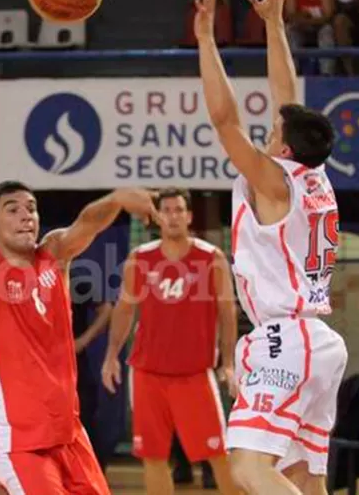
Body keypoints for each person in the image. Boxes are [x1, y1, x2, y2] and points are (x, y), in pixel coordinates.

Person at [194, 0, 348, 495]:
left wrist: (205, 40)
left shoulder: (275, 180)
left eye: (275, 130)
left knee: (248, 469)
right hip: (317, 341)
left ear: (284, 149)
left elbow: (223, 119)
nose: (270, 128)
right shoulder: (315, 176)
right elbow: (286, 97)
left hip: (285, 339)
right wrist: (274, 25)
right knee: (304, 477)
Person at [0, 182, 161, 494]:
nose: (26, 216)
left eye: (31, 208)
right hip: (20, 440)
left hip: (68, 434)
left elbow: (88, 222)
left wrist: (116, 199)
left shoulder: (53, 255)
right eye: (12, 210)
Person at [101, 187, 240, 495]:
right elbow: (125, 309)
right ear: (156, 217)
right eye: (167, 210)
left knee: (218, 454)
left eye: (179, 210)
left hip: (194, 374)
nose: (173, 216)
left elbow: (227, 313)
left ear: (189, 217)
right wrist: (111, 355)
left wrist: (228, 363)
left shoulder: (210, 258)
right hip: (148, 373)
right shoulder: (140, 258)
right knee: (153, 457)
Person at [70, 281, 114, 471]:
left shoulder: (76, 282)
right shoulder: (28, 283)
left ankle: (96, 470)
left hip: (75, 364)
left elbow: (106, 309)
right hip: (40, 364)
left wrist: (83, 340)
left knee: (84, 416)